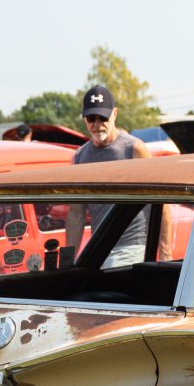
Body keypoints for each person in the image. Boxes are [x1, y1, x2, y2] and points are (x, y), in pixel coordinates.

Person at [64, 84, 154, 268]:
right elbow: (76, 213)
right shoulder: (80, 157)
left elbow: (162, 202)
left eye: (103, 118)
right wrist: (67, 263)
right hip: (99, 248)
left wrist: (163, 249)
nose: (97, 125)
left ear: (114, 114)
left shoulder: (133, 149)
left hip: (133, 245)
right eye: (91, 118)